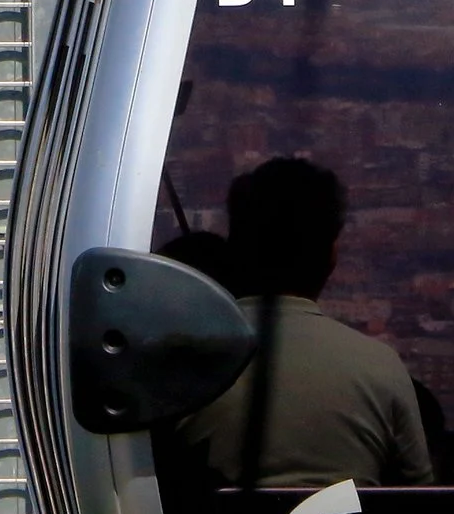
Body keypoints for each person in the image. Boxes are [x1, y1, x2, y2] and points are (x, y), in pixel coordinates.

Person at [172, 158, 435, 488]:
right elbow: (418, 497)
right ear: (330, 256)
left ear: (236, 250)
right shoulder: (381, 367)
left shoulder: (181, 368)